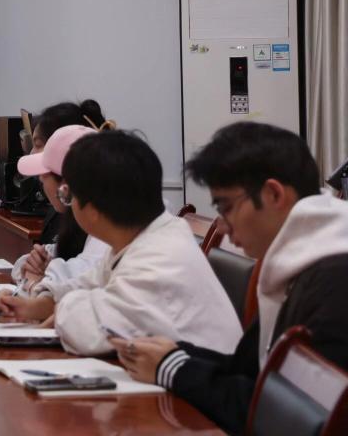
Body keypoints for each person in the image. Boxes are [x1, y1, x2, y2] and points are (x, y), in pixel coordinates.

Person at [113, 122, 348, 435]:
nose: (221, 226)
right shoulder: (302, 257)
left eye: (226, 207)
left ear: (273, 194)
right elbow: (250, 372)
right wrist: (175, 353)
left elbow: (285, 417)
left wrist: (174, 368)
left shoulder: (336, 280)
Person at [0, 130, 241, 356]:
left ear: (92, 207)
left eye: (68, 195)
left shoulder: (159, 258)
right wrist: (35, 306)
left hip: (194, 388)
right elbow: (88, 283)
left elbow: (98, 331)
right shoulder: (140, 239)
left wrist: (60, 308)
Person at [10, 100, 115, 295]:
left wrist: (36, 284)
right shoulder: (80, 220)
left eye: (44, 175)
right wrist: (38, 268)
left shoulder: (106, 225)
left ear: (66, 185)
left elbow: (81, 283)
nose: (40, 180)